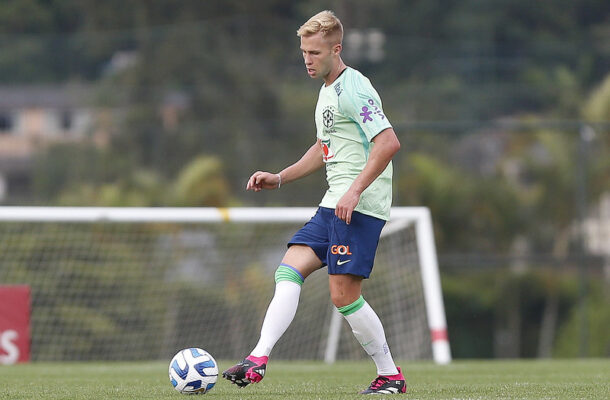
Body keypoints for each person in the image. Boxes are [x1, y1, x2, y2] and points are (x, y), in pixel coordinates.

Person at [222, 10, 405, 395]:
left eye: (315, 52)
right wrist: (281, 176)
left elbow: (387, 142)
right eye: (304, 51)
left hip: (357, 206)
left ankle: (389, 375)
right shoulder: (326, 91)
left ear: (336, 49)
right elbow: (325, 149)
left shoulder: (354, 87)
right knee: (289, 270)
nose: (308, 59)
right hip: (332, 204)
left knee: (343, 296)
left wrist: (354, 191)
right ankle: (258, 359)